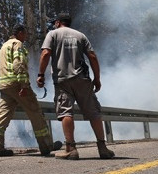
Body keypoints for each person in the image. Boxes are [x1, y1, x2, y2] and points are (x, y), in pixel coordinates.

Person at [36, 13, 115, 160]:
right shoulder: (80, 36)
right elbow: (92, 56)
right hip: (82, 79)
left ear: (58, 22)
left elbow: (46, 53)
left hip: (62, 81)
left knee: (66, 112)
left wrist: (40, 74)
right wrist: (97, 79)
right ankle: (103, 148)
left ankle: (71, 149)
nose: (54, 25)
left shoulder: (52, 34)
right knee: (93, 112)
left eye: (55, 23)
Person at [0, 24, 62, 157]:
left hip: (4, 86)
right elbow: (19, 64)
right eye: (25, 34)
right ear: (20, 33)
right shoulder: (18, 44)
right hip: (17, 84)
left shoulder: (3, 47)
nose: (26, 36)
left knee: (2, 117)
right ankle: (46, 146)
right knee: (35, 113)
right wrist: (23, 85)